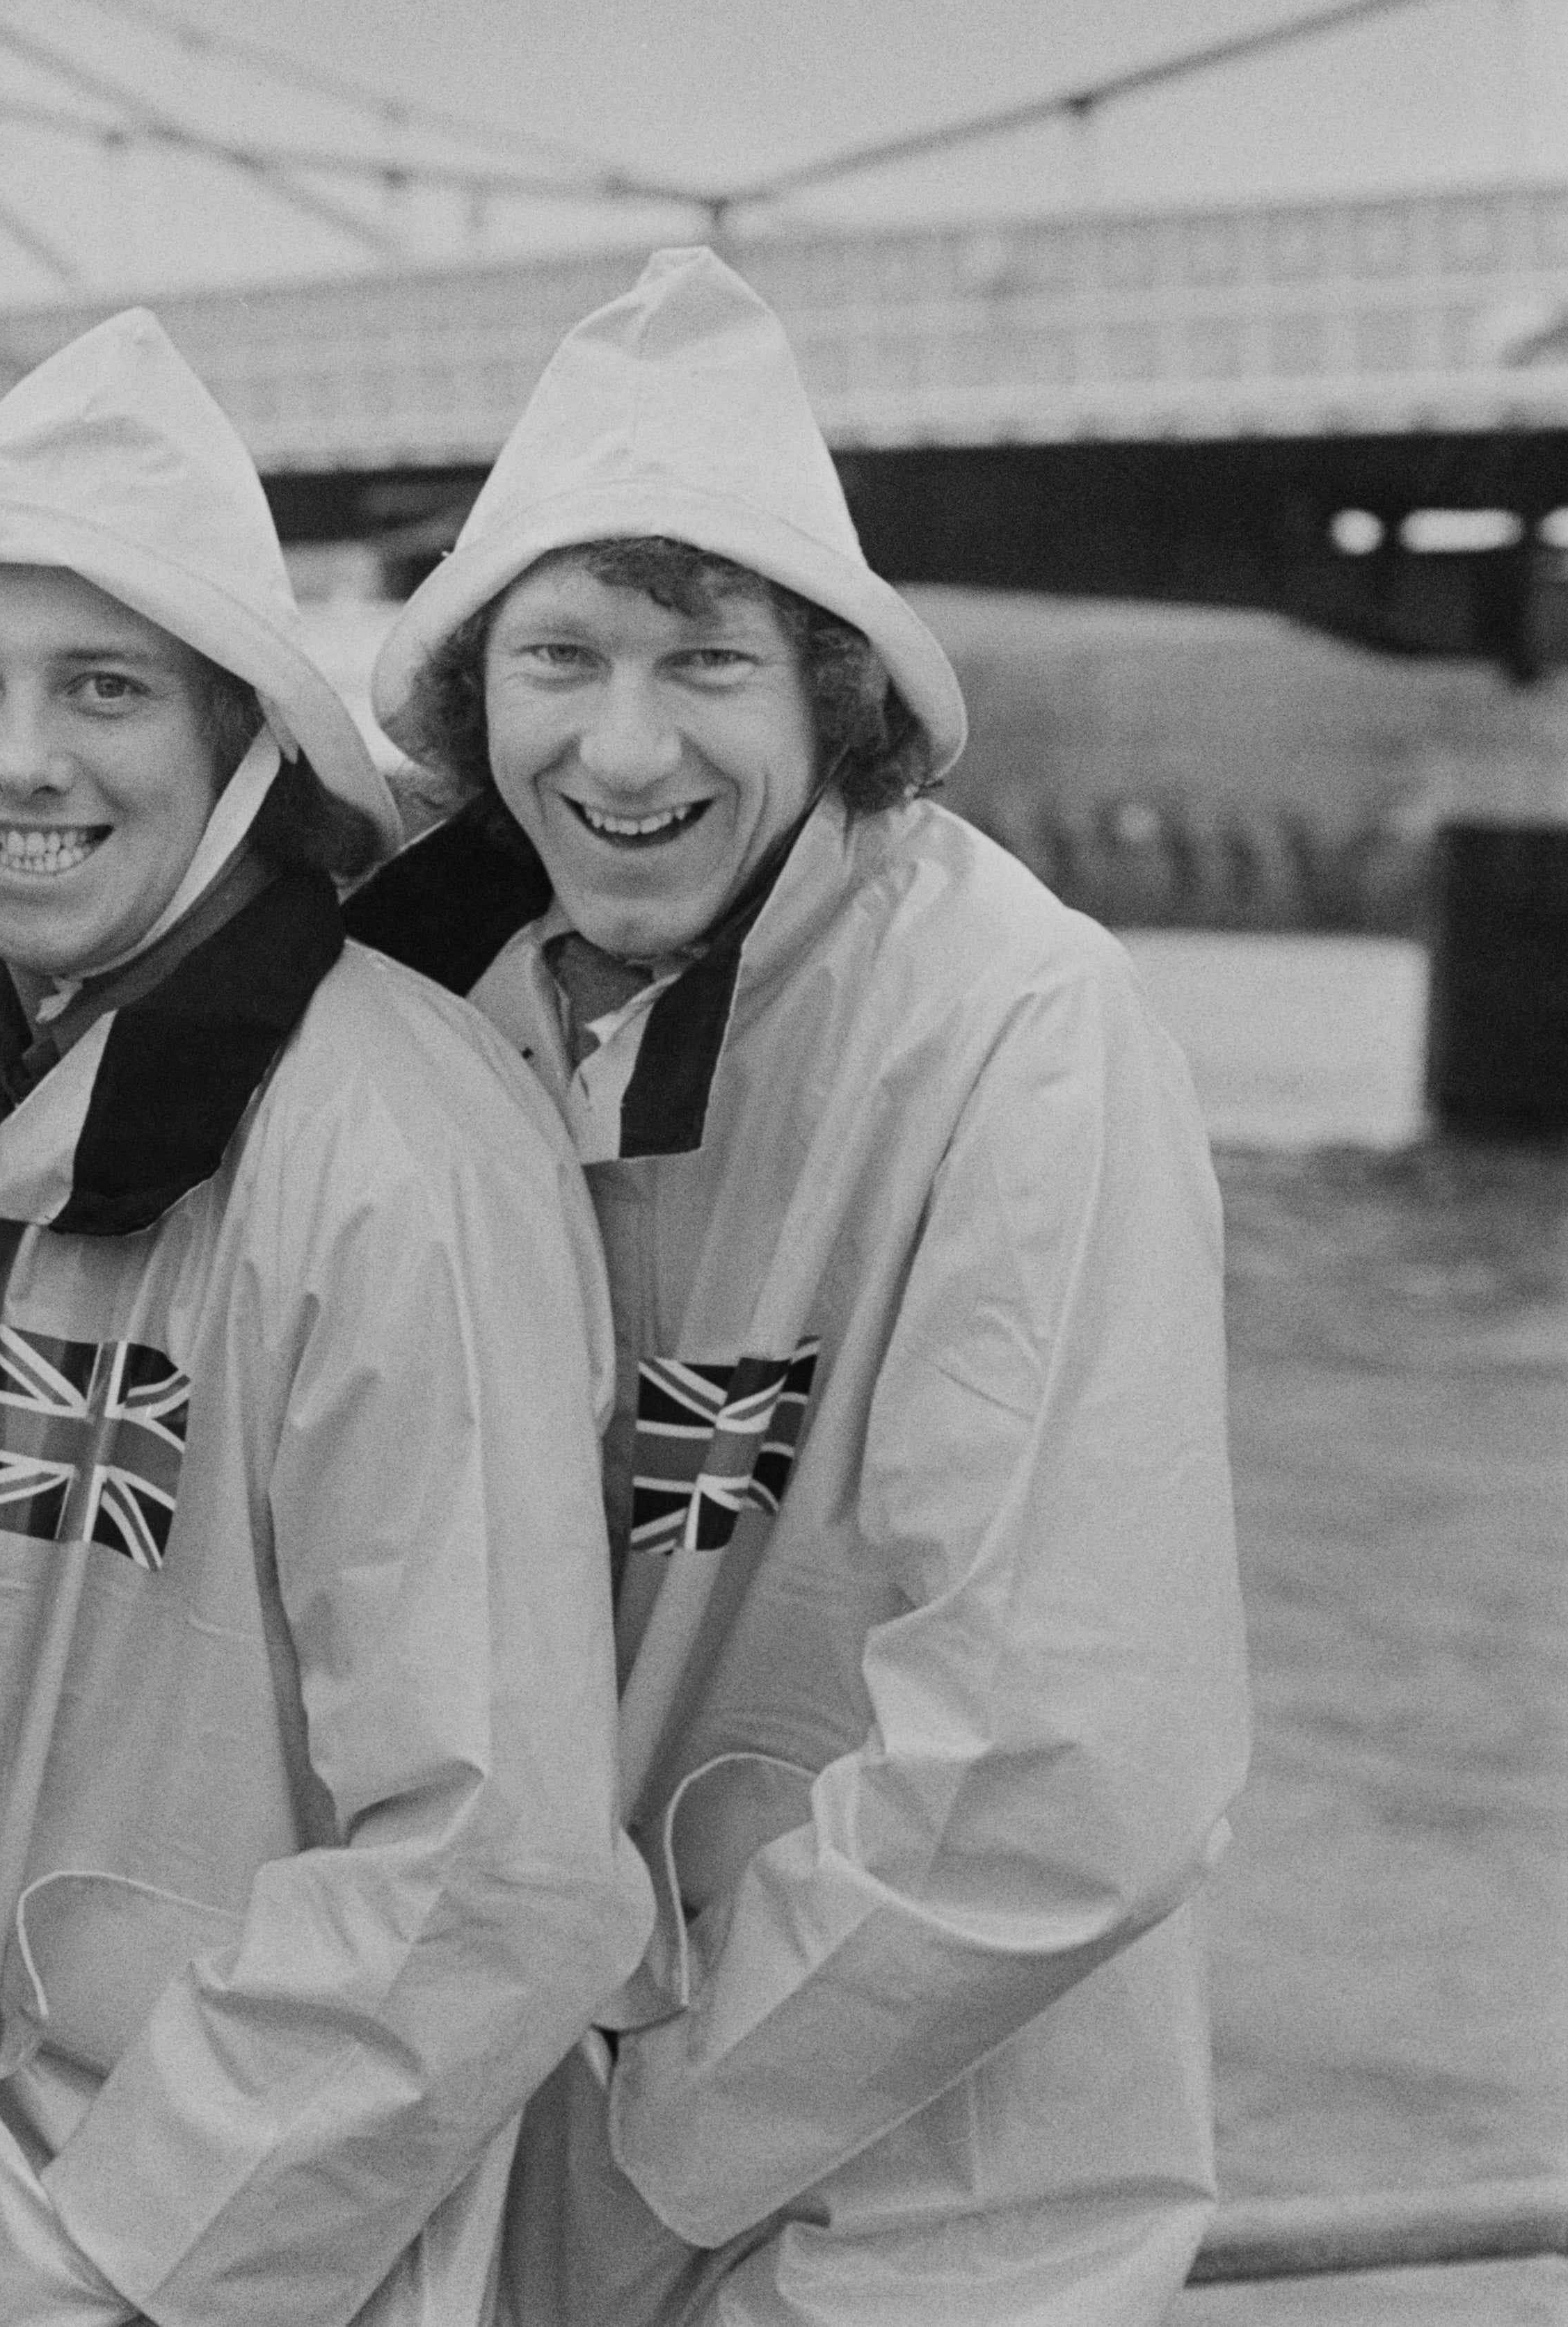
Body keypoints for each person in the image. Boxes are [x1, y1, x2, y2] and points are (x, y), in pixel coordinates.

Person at [346, 246, 1251, 2326]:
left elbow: (1062, 1760)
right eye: (556, 658)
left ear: (828, 696)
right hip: (529, 2177)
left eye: (704, 662)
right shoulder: (441, 1014)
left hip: (921, 2224)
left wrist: (642, 2154)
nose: (621, 741)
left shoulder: (1021, 1028)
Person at [0, 310, 649, 2327]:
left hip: (193, 2257)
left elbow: (490, 1867)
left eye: (104, 689)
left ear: (241, 739)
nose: (17, 759)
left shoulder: (388, 1145)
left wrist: (108, 2262)